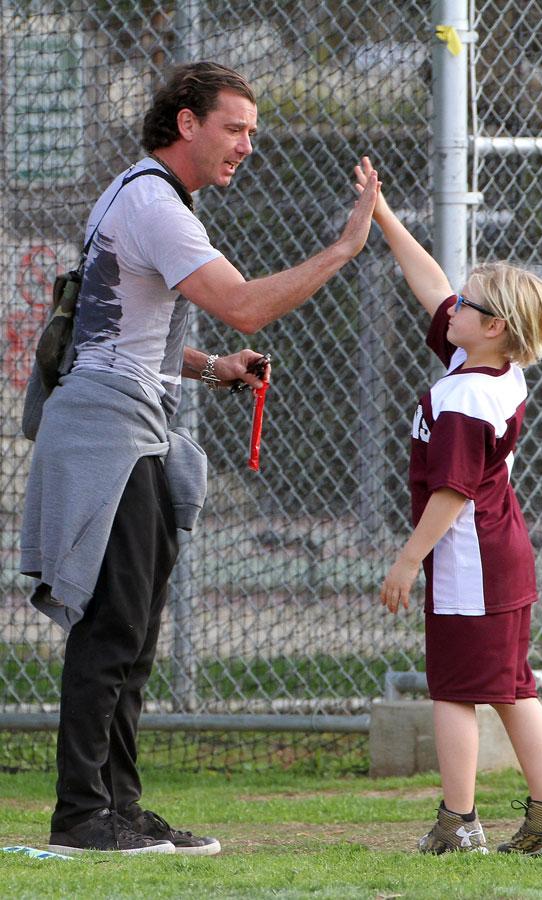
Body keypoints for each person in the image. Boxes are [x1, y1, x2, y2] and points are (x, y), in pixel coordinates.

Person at [19, 62, 379, 857]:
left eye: (252, 131)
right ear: (187, 123)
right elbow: (245, 302)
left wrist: (214, 367)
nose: (248, 145)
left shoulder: (144, 193)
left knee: (133, 631)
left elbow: (119, 327)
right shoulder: (153, 200)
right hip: (106, 428)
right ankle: (80, 816)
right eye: (236, 128)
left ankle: (119, 807)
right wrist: (347, 246)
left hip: (129, 419)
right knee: (112, 628)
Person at [354, 156, 542, 857]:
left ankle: (460, 825)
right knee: (514, 687)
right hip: (500, 550)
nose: (456, 307)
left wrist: (406, 559)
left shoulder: (461, 395)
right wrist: (383, 215)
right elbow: (432, 286)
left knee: (455, 690)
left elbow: (452, 492)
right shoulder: (487, 366)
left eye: (472, 305)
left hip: (468, 557)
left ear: (499, 329)